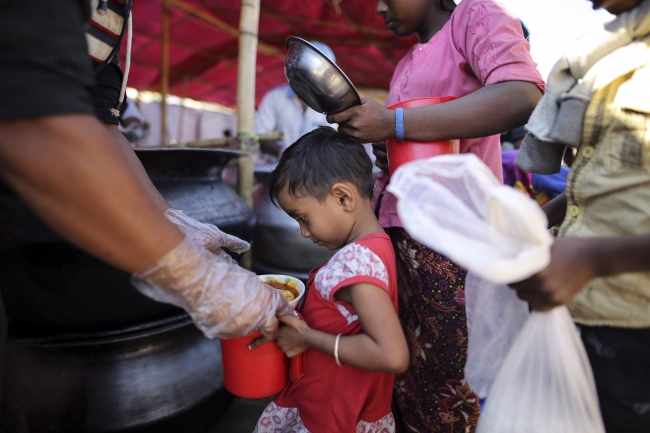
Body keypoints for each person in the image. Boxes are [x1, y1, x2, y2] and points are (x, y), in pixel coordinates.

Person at [0, 0, 291, 425]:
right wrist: (197, 278)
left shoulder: (117, 14)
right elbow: (32, 118)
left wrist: (171, 218)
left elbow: (103, 124)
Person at [326, 0, 545, 431]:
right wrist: (386, 148)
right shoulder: (406, 62)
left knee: (449, 379)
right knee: (407, 373)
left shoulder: (473, 18)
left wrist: (395, 125)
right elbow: (414, 144)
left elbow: (523, 93)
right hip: (402, 236)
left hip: (451, 242)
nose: (379, 9)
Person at [511, 0, 650, 431]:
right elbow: (598, 188)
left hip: (633, 324)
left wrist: (594, 259)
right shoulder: (617, 50)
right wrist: (539, 219)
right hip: (582, 313)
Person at [250, 127, 409, 433]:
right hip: (334, 407)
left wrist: (306, 338)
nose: (304, 233)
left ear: (342, 197)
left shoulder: (356, 261)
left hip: (333, 418)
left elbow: (392, 354)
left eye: (303, 218)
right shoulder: (378, 244)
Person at [253, 42, 336, 163]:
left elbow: (331, 139)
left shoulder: (330, 104)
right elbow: (259, 135)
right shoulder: (275, 98)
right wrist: (281, 151)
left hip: (315, 172)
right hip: (277, 169)